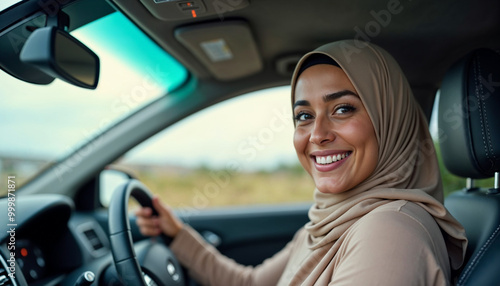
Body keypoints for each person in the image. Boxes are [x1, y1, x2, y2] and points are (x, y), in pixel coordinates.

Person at [135, 40, 467, 285]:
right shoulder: (331, 219)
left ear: (390, 120)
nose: (317, 134)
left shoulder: (391, 232)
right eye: (304, 116)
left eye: (342, 109)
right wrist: (177, 234)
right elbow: (250, 284)